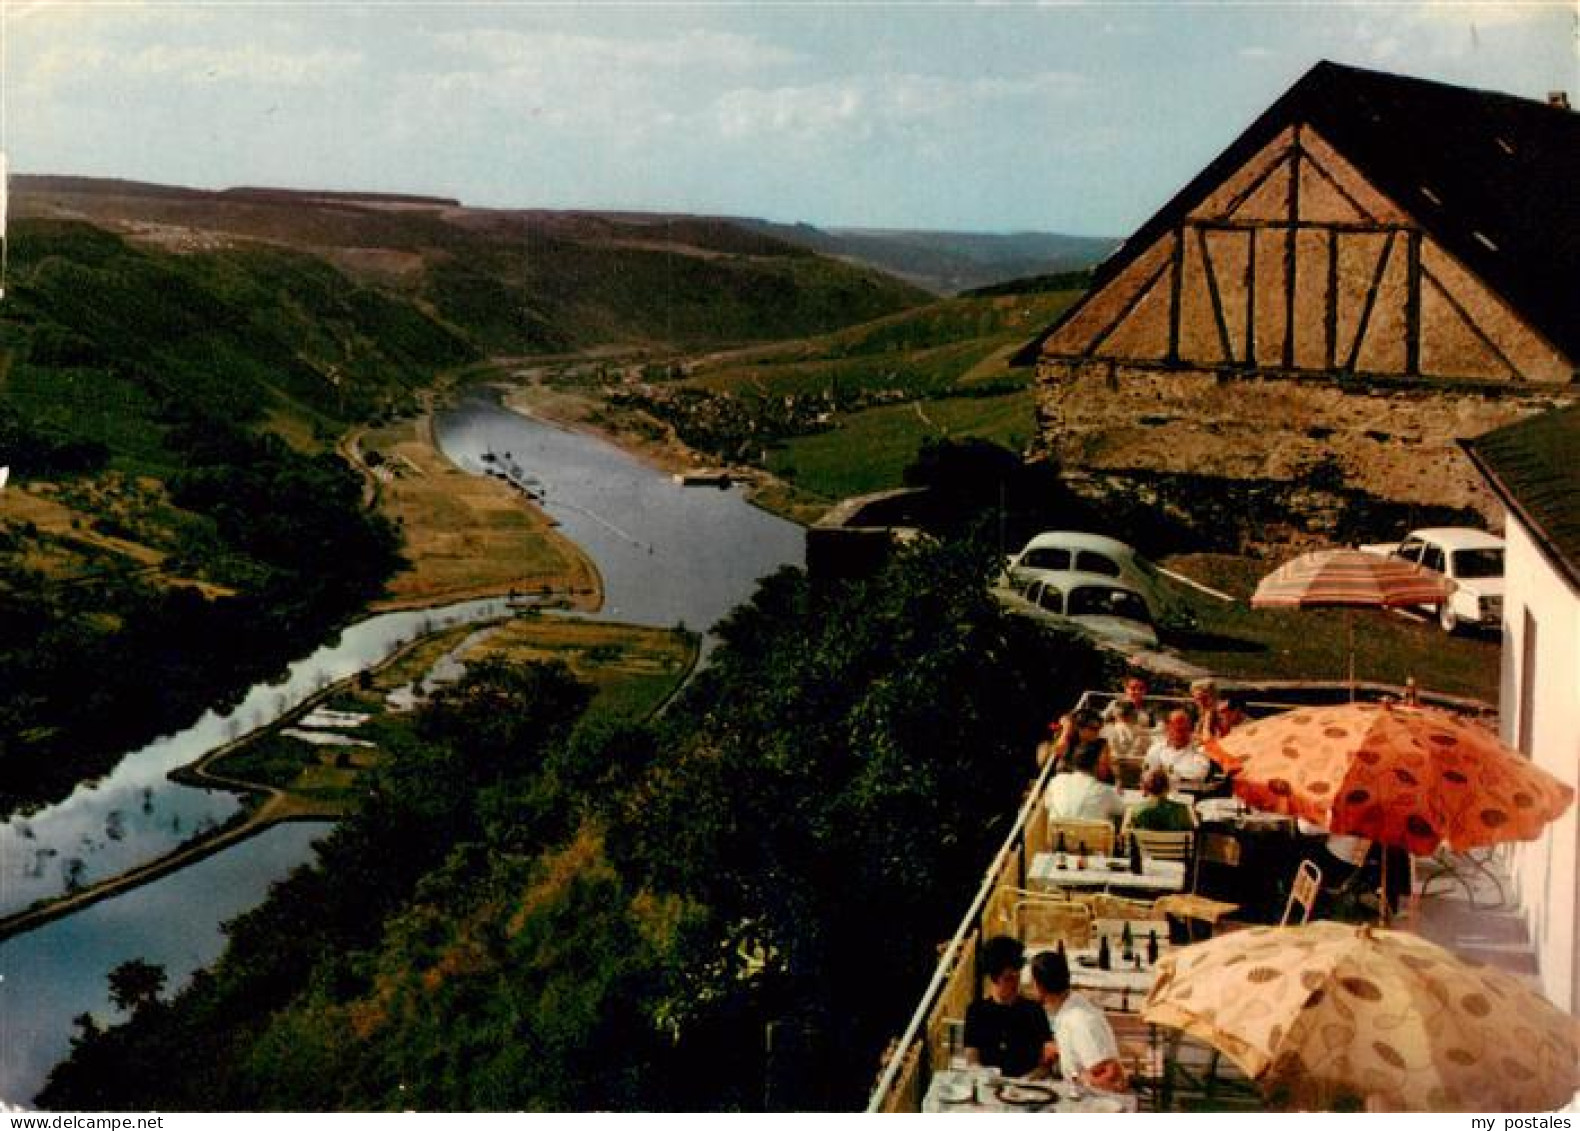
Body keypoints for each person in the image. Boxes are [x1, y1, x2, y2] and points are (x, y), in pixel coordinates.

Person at [1029, 950, 1128, 1094]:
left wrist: (1078, 1078)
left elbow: (1114, 1079)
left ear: (1039, 986)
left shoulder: (1079, 1021)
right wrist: (1061, 1049)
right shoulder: (1069, 1009)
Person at [963, 936, 1053, 1078]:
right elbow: (972, 1059)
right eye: (1009, 978)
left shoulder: (1034, 1010)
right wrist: (985, 1075)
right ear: (994, 978)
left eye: (1018, 977)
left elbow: (1046, 1064)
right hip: (990, 1085)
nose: (1015, 983)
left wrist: (1027, 1080)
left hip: (1027, 1088)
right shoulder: (976, 1012)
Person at [1045, 739, 1126, 824]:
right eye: (1106, 759)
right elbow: (1123, 810)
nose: (1108, 763)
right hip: (1092, 837)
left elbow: (1047, 804)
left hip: (1058, 836)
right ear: (1096, 764)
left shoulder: (1056, 781)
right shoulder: (1105, 792)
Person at [1143, 710, 1212, 786]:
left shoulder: (1200, 749)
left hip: (1188, 794)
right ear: (1167, 728)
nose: (1180, 735)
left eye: (1184, 729)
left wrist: (1165, 771)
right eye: (1177, 730)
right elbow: (1147, 773)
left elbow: (1200, 773)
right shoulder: (1156, 748)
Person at [1124, 770, 1197, 834]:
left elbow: (1124, 836)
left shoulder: (1133, 810)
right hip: (1175, 849)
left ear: (1143, 788)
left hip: (1145, 849)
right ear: (1167, 788)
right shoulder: (1183, 809)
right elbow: (1192, 833)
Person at [1190, 678, 1228, 743]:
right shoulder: (1204, 712)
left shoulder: (1221, 712)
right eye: (1197, 699)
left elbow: (1210, 739)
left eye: (1203, 698)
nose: (1200, 703)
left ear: (1213, 696)